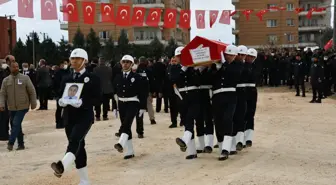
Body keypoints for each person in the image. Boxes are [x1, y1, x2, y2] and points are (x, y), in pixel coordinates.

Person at [50, 48, 101, 185]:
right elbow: (61, 93)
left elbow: (98, 99)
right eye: (72, 58)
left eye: (77, 59)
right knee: (79, 146)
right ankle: (84, 180)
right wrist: (60, 102)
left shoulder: (93, 78)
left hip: (84, 116)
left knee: (74, 140)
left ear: (84, 61)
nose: (73, 61)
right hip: (69, 117)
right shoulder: (66, 78)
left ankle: (62, 165)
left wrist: (83, 102)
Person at [113, 55, 147, 159]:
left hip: (133, 102)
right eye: (123, 62)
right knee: (125, 124)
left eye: (128, 62)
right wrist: (115, 107)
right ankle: (130, 151)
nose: (125, 64)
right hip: (122, 103)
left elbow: (143, 93)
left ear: (132, 64)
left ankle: (121, 143)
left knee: (127, 123)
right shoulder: (117, 77)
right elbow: (115, 93)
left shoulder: (137, 77)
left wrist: (142, 107)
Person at [171, 46, 201, 160]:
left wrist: (196, 69)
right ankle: (191, 151)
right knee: (186, 121)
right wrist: (184, 68)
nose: (180, 58)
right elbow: (174, 79)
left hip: (194, 96)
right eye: (178, 56)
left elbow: (198, 82)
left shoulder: (193, 68)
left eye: (181, 56)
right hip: (182, 98)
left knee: (190, 119)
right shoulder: (174, 68)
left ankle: (185, 141)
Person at [211, 45, 239, 160]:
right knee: (218, 122)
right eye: (227, 55)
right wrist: (215, 68)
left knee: (227, 120)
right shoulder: (217, 66)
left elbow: (235, 75)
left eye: (231, 55)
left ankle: (227, 149)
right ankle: (222, 147)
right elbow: (210, 79)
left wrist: (224, 65)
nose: (229, 57)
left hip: (230, 96)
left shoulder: (237, 66)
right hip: (217, 96)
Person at [0, 62, 37, 151]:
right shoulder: (6, 80)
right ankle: (21, 144)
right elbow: (2, 94)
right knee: (16, 125)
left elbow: (32, 91)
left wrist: (33, 103)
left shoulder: (25, 78)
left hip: (23, 106)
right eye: (14, 67)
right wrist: (1, 104)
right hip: (11, 107)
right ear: (10, 68)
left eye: (17, 66)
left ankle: (11, 143)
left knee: (16, 123)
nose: (16, 68)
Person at [231, 45, 248, 155]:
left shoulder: (246, 66)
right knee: (232, 118)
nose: (241, 56)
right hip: (233, 93)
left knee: (241, 117)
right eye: (239, 54)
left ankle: (240, 141)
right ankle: (233, 142)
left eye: (243, 55)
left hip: (243, 94)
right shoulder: (231, 65)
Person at [244, 48, 259, 147]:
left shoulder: (256, 66)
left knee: (250, 114)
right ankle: (241, 137)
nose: (250, 58)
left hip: (252, 91)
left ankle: (248, 138)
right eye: (249, 56)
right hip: (242, 91)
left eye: (253, 57)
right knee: (241, 114)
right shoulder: (241, 65)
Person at [93, 57, 113, 121]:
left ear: (99, 61)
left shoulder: (95, 69)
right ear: (105, 62)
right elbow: (110, 77)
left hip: (98, 88)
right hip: (106, 88)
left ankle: (98, 116)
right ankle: (105, 116)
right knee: (106, 104)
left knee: (97, 104)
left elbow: (94, 79)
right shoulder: (109, 69)